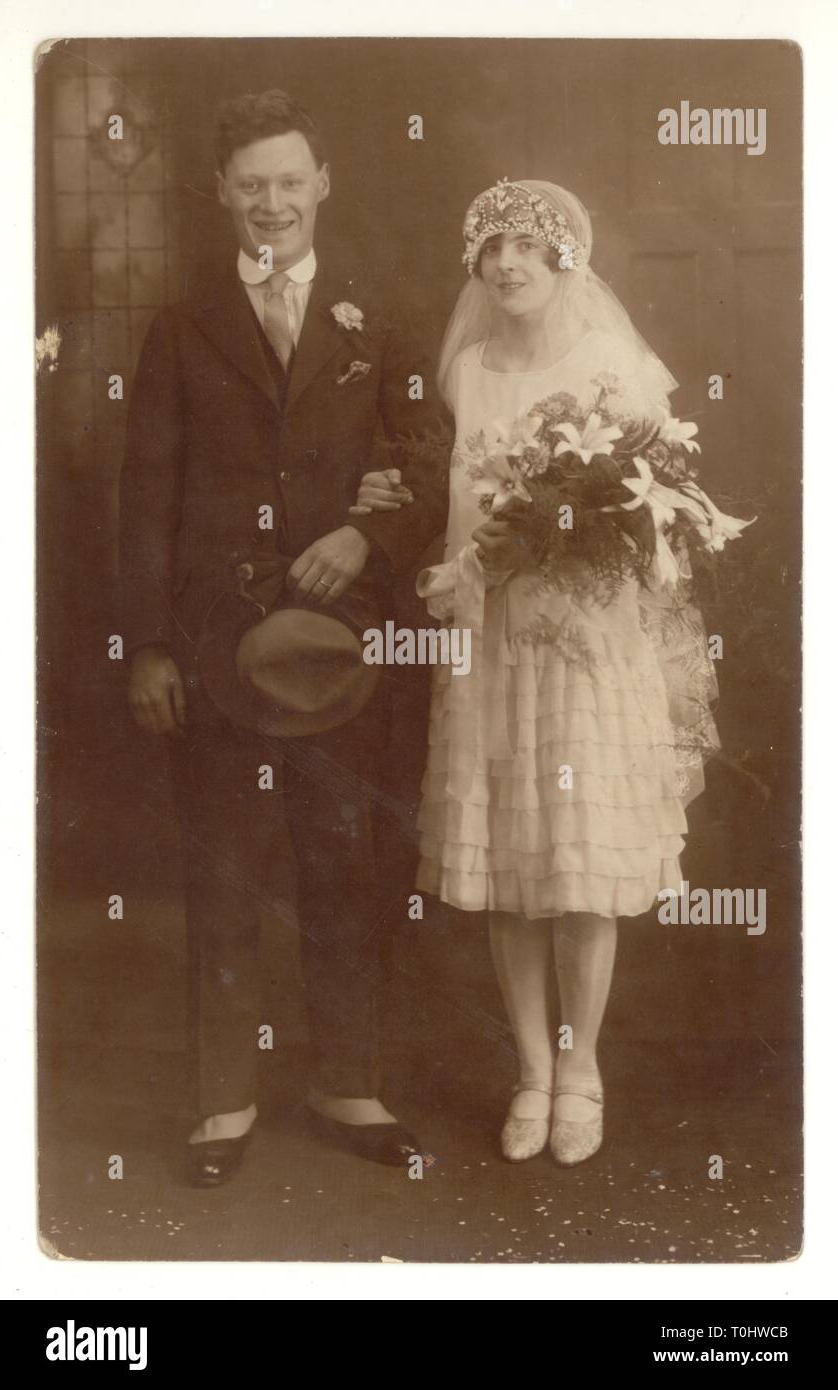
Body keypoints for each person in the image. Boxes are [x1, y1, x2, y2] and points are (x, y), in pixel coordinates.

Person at [352, 179, 719, 1166]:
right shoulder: (467, 370)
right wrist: (459, 569)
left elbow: (659, 504)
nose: (505, 265)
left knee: (580, 866)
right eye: (489, 249)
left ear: (564, 260)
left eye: (526, 247)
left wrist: (589, 535)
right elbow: (465, 501)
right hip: (492, 637)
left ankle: (581, 1067)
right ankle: (529, 1068)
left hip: (588, 639)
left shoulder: (610, 365)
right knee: (511, 869)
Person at [119, 88, 448, 1185]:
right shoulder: (181, 323)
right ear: (223, 195)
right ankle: (220, 1099)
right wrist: (148, 648)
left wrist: (365, 534)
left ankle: (345, 1080)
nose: (271, 204)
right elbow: (144, 497)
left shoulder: (379, 316)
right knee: (222, 863)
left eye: (288, 182)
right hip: (212, 638)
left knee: (343, 858)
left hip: (339, 645)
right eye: (249, 185)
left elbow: (430, 456)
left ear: (322, 185)